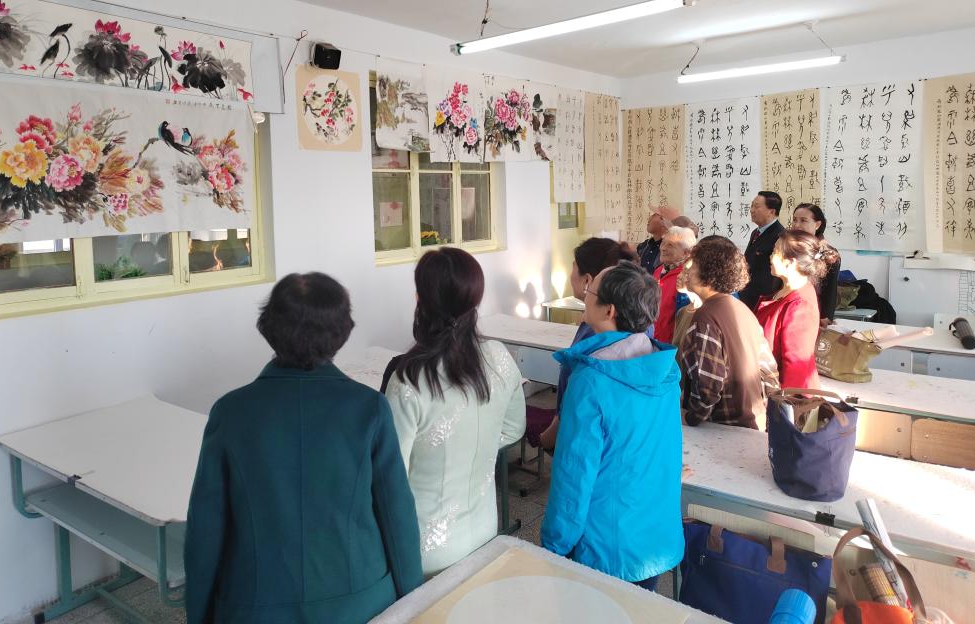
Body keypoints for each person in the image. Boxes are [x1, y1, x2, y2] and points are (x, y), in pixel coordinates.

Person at [185, 273, 423, 624]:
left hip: (256, 605)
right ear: (344, 331)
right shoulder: (368, 408)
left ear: (267, 327)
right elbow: (396, 513)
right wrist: (415, 601)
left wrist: (198, 613)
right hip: (360, 601)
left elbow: (206, 527)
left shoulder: (230, 412)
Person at [382, 248, 525, 577]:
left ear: (420, 299)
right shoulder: (498, 357)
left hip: (427, 546)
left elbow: (392, 475)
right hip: (485, 528)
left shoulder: (410, 379)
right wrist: (475, 444)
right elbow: (514, 428)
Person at [541, 261, 683, 588]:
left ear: (609, 311)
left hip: (606, 547)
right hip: (654, 533)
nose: (584, 295)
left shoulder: (591, 381)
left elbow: (573, 475)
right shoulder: (662, 367)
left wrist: (554, 546)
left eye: (590, 292)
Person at [538, 237, 638, 451]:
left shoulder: (595, 335)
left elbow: (578, 401)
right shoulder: (630, 326)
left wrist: (550, 436)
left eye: (573, 268)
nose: (569, 275)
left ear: (588, 281)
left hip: (586, 439)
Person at [678, 236, 780, 430]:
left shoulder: (705, 317)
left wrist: (692, 417)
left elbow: (709, 386)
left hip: (723, 425)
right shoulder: (742, 309)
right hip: (753, 420)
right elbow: (769, 371)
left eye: (693, 266)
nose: (688, 272)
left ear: (709, 274)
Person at [756, 230, 839, 389]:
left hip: (782, 392)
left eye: (775, 252)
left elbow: (796, 363)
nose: (770, 257)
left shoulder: (800, 304)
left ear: (791, 262)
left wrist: (785, 399)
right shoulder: (784, 291)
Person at [791, 203, 842, 325]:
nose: (797, 225)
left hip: (811, 311)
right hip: (789, 308)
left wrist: (826, 317)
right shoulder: (787, 247)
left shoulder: (828, 253)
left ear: (817, 225)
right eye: (795, 220)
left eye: (803, 220)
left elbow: (830, 290)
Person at [739, 191, 785, 310]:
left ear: (772, 211)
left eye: (757, 206)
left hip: (762, 300)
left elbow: (775, 277)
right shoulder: (756, 232)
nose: (752, 210)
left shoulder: (780, 236)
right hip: (747, 295)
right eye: (752, 206)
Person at [653, 226, 697, 342]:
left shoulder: (688, 277)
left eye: (670, 245)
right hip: (653, 340)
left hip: (672, 345)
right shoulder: (658, 270)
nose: (663, 248)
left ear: (686, 253)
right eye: (663, 243)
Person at [635, 205, 677, 274]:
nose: (650, 218)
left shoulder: (672, 251)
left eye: (655, 215)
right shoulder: (643, 246)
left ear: (665, 222)